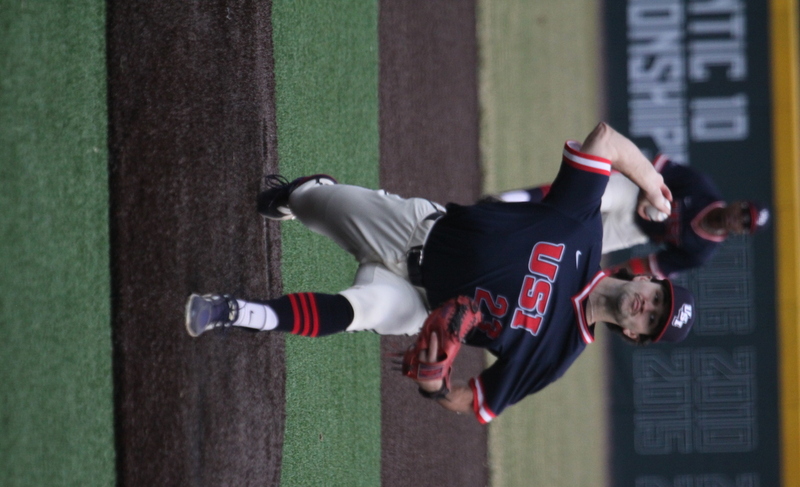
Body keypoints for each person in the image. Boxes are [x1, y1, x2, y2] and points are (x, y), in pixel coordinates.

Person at [184, 122, 696, 424]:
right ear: (649, 280)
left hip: (418, 303)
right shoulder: (584, 229)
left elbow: (475, 403)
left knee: (360, 310)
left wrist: (433, 385)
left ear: (633, 334)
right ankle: (304, 193)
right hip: (414, 228)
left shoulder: (557, 353)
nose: (647, 309)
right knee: (306, 200)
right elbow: (605, 139)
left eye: (652, 321)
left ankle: (236, 312)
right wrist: (653, 185)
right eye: (658, 300)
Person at [483, 154, 770, 279]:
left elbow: (648, 264)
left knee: (568, 247)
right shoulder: (701, 187)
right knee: (575, 194)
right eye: (744, 212)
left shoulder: (701, 252)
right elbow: (656, 165)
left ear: (743, 233)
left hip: (632, 231)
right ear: (739, 203)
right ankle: (504, 202)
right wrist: (650, 191)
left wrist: (604, 277)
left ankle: (501, 250)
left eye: (747, 223)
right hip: (631, 191)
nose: (740, 219)